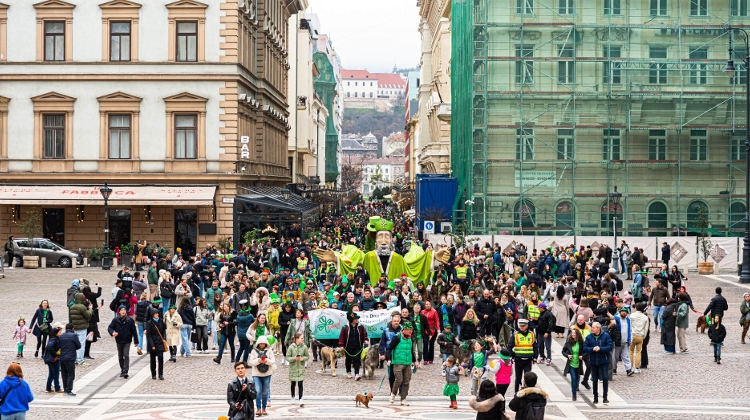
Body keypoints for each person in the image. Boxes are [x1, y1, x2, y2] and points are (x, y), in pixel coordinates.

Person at [386, 321, 419, 406]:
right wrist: (388, 359)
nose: (411, 332)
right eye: (409, 330)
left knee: (406, 381)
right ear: (404, 330)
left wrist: (415, 361)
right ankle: (393, 394)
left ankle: (403, 398)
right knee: (399, 380)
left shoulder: (410, 338)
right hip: (398, 362)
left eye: (411, 330)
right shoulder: (397, 338)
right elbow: (389, 349)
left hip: (407, 362)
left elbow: (411, 351)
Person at [583, 321, 613, 404]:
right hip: (593, 361)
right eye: (592, 327)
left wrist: (600, 348)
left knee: (605, 378)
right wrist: (592, 349)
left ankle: (605, 397)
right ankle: (595, 397)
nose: (592, 329)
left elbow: (610, 346)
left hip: (603, 361)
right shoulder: (589, 337)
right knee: (594, 380)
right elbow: (585, 347)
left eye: (593, 327)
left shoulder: (606, 336)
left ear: (598, 328)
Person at [107, 305, 139, 379]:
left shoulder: (130, 320)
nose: (123, 311)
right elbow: (110, 327)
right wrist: (112, 333)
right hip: (119, 340)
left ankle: (125, 371)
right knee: (120, 356)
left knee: (126, 355)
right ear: (119, 311)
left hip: (127, 340)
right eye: (122, 310)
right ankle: (122, 369)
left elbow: (134, 331)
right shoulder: (115, 320)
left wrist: (136, 341)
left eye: (124, 310)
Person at [248, 335, 276, 416]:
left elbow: (273, 361)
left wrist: (266, 360)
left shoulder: (269, 351)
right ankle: (258, 408)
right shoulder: (253, 351)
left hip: (267, 374)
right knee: (258, 391)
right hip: (256, 374)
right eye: (260, 344)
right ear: (258, 344)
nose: (262, 345)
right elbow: (251, 362)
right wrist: (259, 361)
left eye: (263, 344)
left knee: (265, 392)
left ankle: (264, 408)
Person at [507, 318, 536, 394]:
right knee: (518, 378)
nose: (522, 327)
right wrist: (511, 356)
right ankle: (516, 393)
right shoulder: (515, 335)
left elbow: (535, 346)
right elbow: (509, 346)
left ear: (527, 326)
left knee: (528, 378)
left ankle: (528, 393)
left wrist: (535, 357)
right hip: (518, 359)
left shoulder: (532, 334)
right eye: (520, 326)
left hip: (528, 360)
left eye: (523, 326)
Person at [339, 312, 368, 380]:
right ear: (351, 319)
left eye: (357, 318)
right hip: (348, 346)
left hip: (358, 346)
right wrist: (341, 345)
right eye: (355, 318)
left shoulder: (361, 327)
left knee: (357, 360)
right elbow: (341, 337)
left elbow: (364, 334)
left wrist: (365, 340)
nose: (357, 319)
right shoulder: (345, 327)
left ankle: (357, 374)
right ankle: (348, 372)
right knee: (348, 360)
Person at [286, 332, 309, 407]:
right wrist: (294, 358)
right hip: (293, 368)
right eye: (301, 338)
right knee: (293, 384)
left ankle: (300, 399)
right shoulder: (291, 347)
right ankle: (292, 396)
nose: (303, 339)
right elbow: (288, 357)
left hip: (301, 368)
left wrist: (302, 359)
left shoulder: (304, 347)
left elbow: (307, 356)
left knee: (300, 384)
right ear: (297, 339)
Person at [68, 293, 91, 365]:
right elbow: (88, 315)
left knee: (74, 344)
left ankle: (74, 359)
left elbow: (71, 318)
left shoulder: (72, 307)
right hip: (82, 327)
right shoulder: (82, 307)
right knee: (81, 344)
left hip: (75, 327)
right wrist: (90, 309)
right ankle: (80, 359)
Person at [562, 328, 584, 401]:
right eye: (572, 333)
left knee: (577, 379)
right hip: (571, 363)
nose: (573, 334)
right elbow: (563, 351)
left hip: (578, 363)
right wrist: (567, 355)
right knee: (573, 378)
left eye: (574, 333)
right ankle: (574, 394)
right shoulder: (568, 342)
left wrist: (582, 356)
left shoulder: (581, 343)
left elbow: (585, 351)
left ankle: (576, 387)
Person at [59, 323, 80, 396]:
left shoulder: (61, 336)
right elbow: (78, 346)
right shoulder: (74, 336)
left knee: (64, 374)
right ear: (72, 328)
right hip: (70, 357)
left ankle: (65, 389)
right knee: (71, 374)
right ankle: (68, 390)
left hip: (62, 357)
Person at [145, 309, 166, 380]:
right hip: (153, 343)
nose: (157, 314)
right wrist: (152, 345)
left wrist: (164, 338)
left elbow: (163, 331)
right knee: (153, 359)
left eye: (158, 313)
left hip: (160, 342)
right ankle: (153, 374)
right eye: (156, 313)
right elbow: (149, 335)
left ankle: (161, 374)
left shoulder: (161, 321)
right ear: (152, 315)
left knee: (161, 358)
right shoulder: (149, 323)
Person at [612, 307, 633, 376]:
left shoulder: (628, 320)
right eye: (622, 311)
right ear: (620, 312)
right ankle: (614, 368)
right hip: (617, 341)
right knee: (615, 357)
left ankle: (628, 370)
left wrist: (630, 339)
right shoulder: (616, 319)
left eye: (625, 312)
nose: (624, 313)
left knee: (626, 356)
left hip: (625, 341)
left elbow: (630, 330)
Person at [43, 324, 63, 393]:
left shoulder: (53, 339)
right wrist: (55, 355)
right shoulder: (54, 339)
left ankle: (48, 388)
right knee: (56, 374)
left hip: (50, 359)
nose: (60, 333)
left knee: (51, 373)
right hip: (53, 359)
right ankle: (57, 388)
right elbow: (49, 347)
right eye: (59, 332)